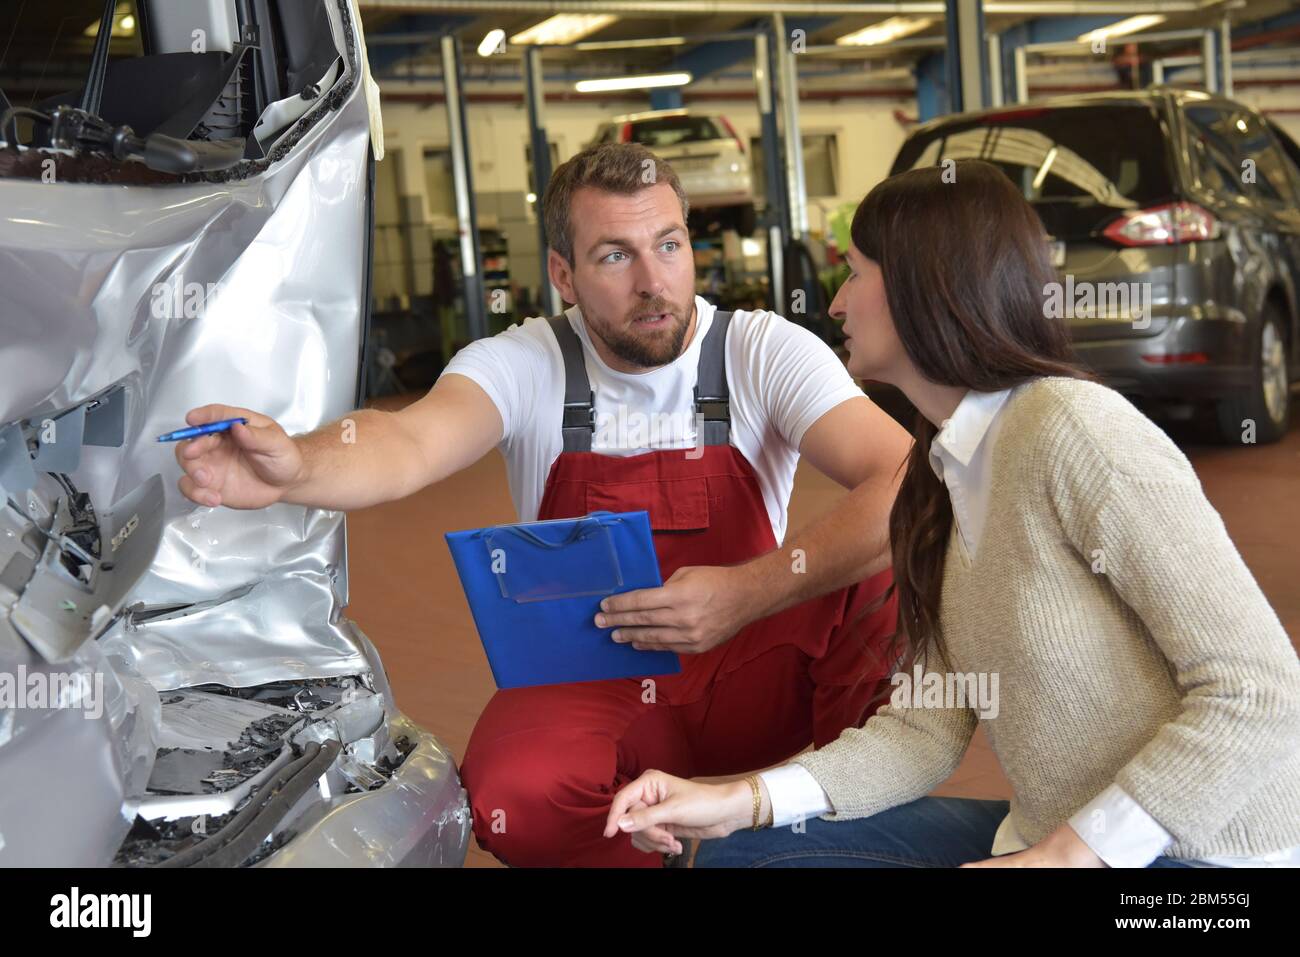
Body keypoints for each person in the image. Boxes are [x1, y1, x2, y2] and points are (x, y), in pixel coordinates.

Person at [172, 142, 913, 866]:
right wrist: (297, 465)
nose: (654, 281)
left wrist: (748, 590)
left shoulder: (759, 350)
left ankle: (829, 830)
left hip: (754, 671)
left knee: (888, 567)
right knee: (513, 792)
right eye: (615, 256)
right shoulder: (527, 363)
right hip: (606, 686)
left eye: (669, 244)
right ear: (564, 274)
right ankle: (648, 856)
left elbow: (906, 477)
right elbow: (406, 442)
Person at [604, 159, 1300, 868]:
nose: (837, 304)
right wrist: (735, 801)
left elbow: (1258, 688)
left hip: (1211, 861)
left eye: (855, 272)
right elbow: (923, 730)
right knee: (734, 858)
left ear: (923, 285)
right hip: (1045, 834)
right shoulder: (940, 476)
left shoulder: (1077, 432)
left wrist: (1069, 853)